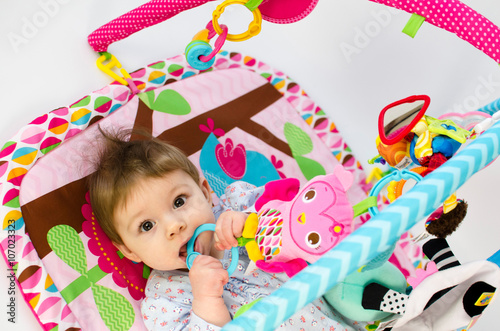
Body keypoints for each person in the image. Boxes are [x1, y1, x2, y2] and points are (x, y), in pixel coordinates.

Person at [88, 128, 360, 331]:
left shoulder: (240, 205)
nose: (175, 225)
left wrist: (254, 220)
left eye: (179, 201)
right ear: (128, 250)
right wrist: (206, 300)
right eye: (146, 225)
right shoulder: (164, 301)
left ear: (206, 193)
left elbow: (300, 221)